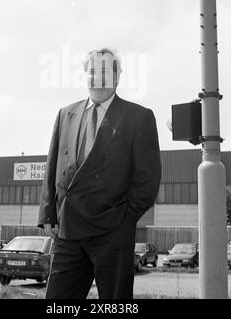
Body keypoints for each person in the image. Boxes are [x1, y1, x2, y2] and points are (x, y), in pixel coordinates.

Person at [38, 47, 161, 299]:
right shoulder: (65, 114)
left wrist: (123, 221)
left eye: (104, 71)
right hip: (68, 231)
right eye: (92, 71)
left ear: (117, 77)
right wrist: (48, 212)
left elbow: (147, 180)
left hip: (111, 232)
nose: (97, 77)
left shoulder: (139, 117)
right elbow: (52, 169)